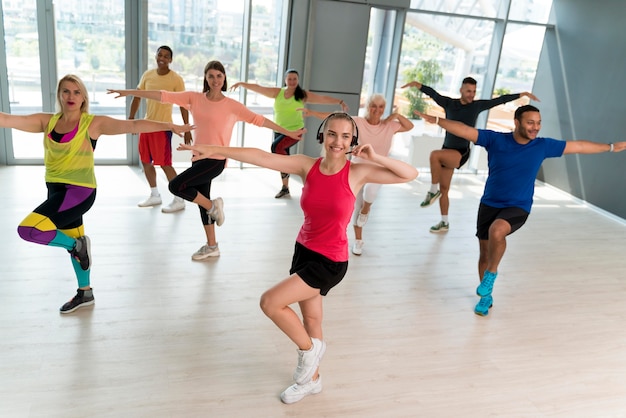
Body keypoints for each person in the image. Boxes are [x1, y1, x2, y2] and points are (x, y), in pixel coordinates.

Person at [177, 112, 417, 403]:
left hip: (330, 261)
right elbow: (262, 157)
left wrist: (376, 156)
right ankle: (311, 380)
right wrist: (216, 150)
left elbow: (409, 174)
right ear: (322, 135)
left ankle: (309, 351)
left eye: (344, 136)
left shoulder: (357, 172)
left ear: (352, 140)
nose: (337, 141)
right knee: (312, 319)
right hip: (304, 249)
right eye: (332, 134)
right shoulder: (307, 166)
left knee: (270, 302)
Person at [2, 74, 193, 313]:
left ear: (84, 97)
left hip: (80, 192)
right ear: (59, 95)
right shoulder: (47, 122)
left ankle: (74, 246)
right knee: (77, 241)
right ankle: (85, 292)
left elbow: (133, 125)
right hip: (55, 191)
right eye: (66, 91)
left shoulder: (91, 124)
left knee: (29, 229)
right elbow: (8, 119)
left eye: (76, 92)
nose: (71, 97)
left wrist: (170, 126)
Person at [416, 105, 626, 316]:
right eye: (530, 122)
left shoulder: (542, 146)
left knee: (497, 231)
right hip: (489, 204)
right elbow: (463, 129)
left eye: (538, 122)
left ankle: (491, 274)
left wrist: (610, 147)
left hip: (518, 206)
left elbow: (579, 146)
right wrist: (436, 121)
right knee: (484, 254)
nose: (536, 127)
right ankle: (486, 297)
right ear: (516, 122)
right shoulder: (495, 140)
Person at [108, 60, 305, 261]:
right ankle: (212, 245)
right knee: (201, 199)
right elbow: (162, 95)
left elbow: (260, 121)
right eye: (211, 76)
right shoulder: (194, 98)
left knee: (176, 186)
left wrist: (288, 132)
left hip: (216, 159)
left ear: (224, 78)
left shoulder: (232, 106)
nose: (215, 80)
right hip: (197, 157)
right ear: (206, 78)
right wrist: (132, 92)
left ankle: (213, 206)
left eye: (219, 76)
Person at [402, 77, 539, 233]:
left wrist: (522, 94)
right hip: (447, 149)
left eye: (474, 91)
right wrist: (417, 85)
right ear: (461, 90)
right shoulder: (449, 104)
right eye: (468, 91)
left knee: (435, 155)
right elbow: (433, 94)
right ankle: (444, 222)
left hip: (461, 152)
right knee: (445, 189)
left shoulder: (476, 106)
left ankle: (432, 191)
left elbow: (499, 100)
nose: (471, 95)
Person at [300, 94, 414, 256]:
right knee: (354, 206)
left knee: (370, 193)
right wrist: (311, 113)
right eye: (373, 106)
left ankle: (366, 210)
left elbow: (409, 126)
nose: (377, 110)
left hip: (377, 169)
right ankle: (358, 241)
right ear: (367, 107)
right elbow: (334, 119)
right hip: (356, 169)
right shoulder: (358, 122)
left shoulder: (390, 125)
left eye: (381, 107)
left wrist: (396, 115)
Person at [230, 69, 348, 198]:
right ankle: (285, 187)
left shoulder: (302, 95)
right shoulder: (277, 93)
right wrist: (242, 83)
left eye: (294, 79)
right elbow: (259, 88)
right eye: (289, 79)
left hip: (296, 131)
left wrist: (339, 101)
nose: (292, 81)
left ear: (298, 80)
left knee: (277, 148)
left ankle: (289, 171)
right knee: (283, 154)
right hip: (279, 130)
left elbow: (322, 99)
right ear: (285, 80)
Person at [129, 45, 193, 213]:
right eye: (159, 55)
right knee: (145, 162)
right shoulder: (147, 75)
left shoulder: (176, 79)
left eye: (166, 56)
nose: (162, 58)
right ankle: (155, 195)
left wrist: (186, 128)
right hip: (146, 125)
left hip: (163, 128)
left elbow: (183, 104)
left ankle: (180, 199)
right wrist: (131, 119)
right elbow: (137, 96)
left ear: (170, 60)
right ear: (156, 56)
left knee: (165, 164)